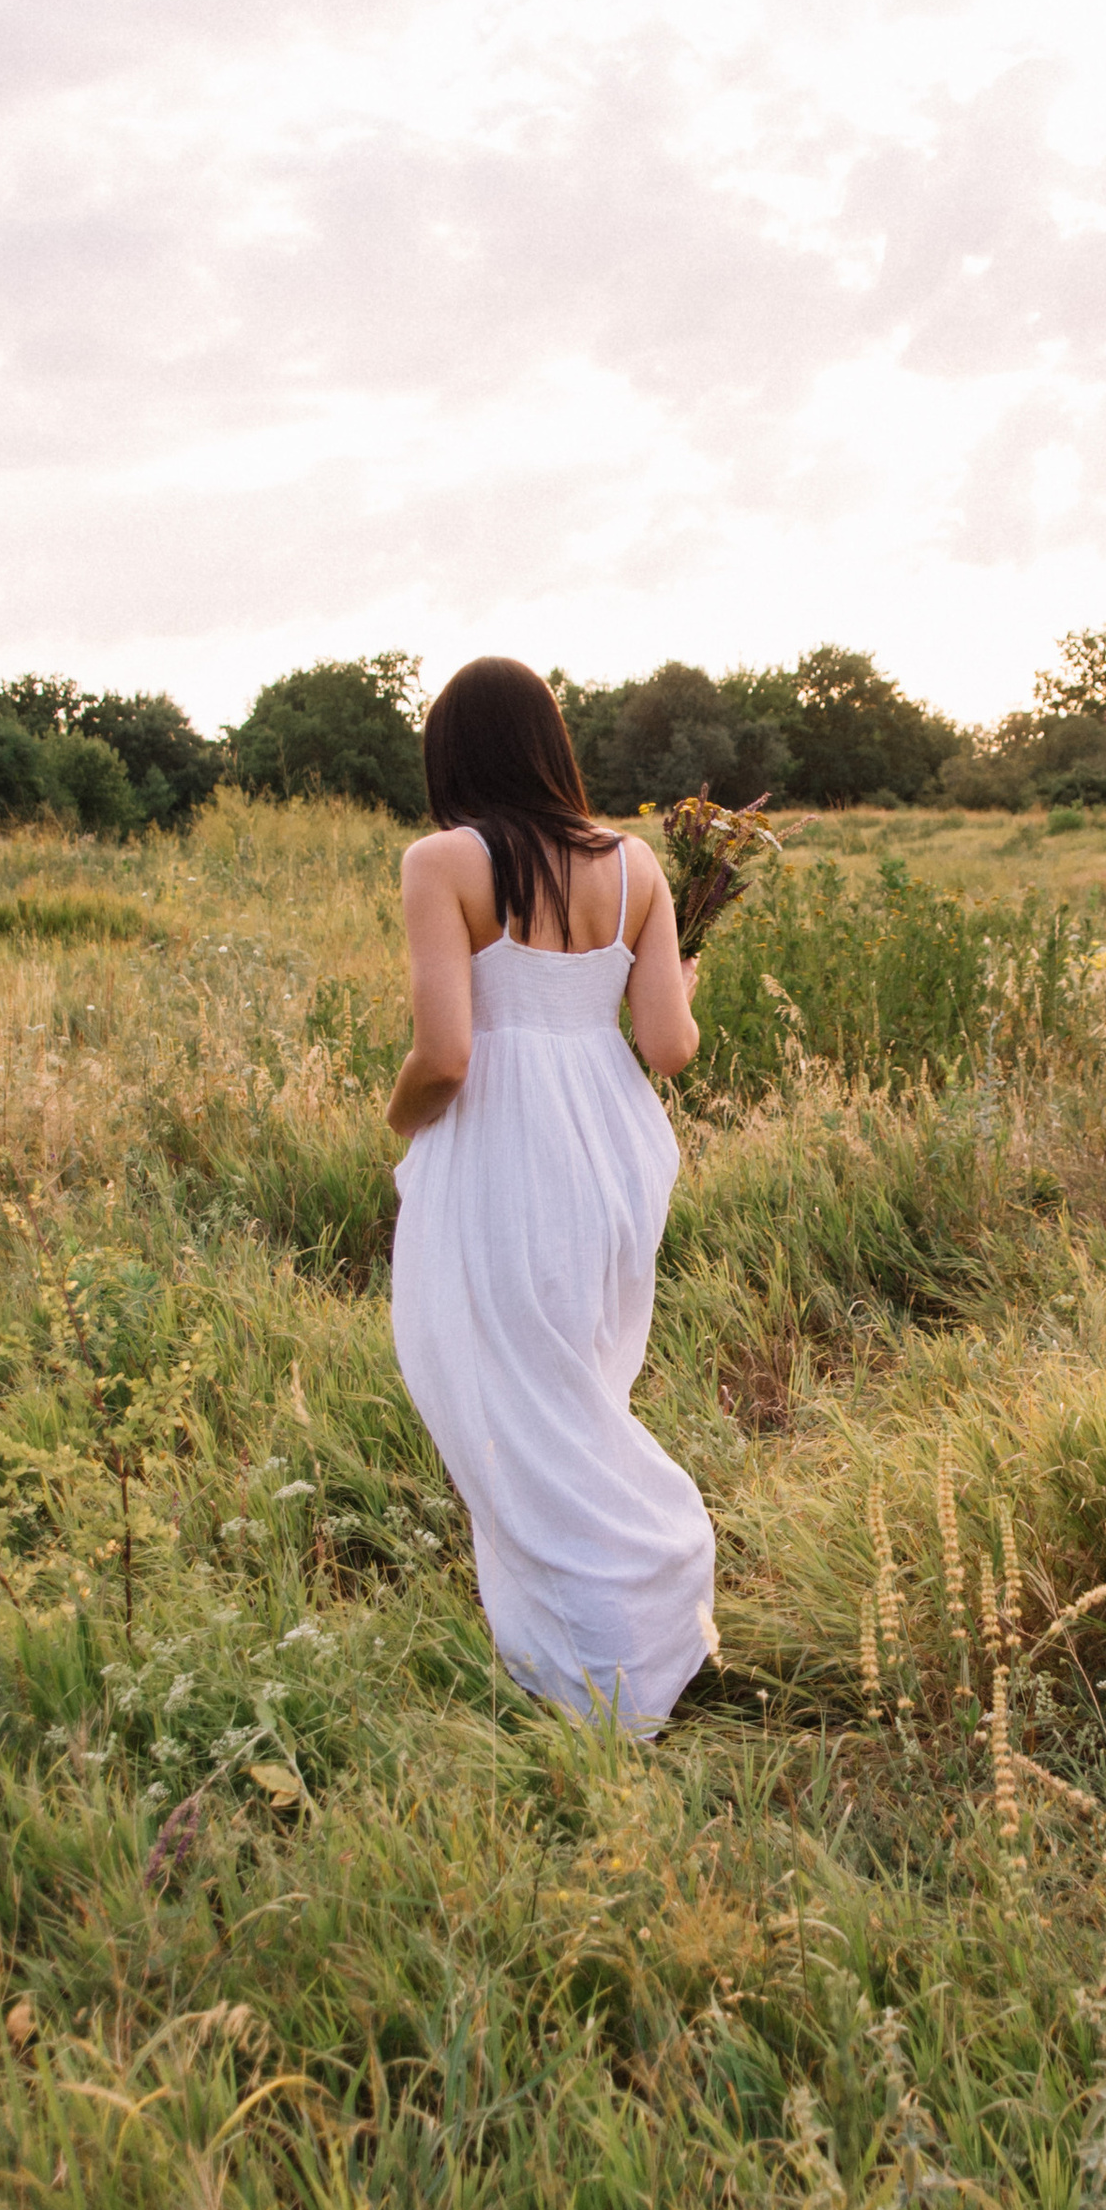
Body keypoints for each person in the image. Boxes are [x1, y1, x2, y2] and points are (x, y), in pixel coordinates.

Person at [385, 654, 716, 1730]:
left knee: (510, 1396)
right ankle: (636, 1631)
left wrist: (394, 1125)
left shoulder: (441, 861)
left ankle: (600, 1654)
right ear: (551, 746)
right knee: (575, 1391)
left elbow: (445, 1054)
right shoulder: (638, 866)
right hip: (615, 1153)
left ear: (453, 755)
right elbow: (668, 1048)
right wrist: (680, 980)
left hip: (504, 1150)